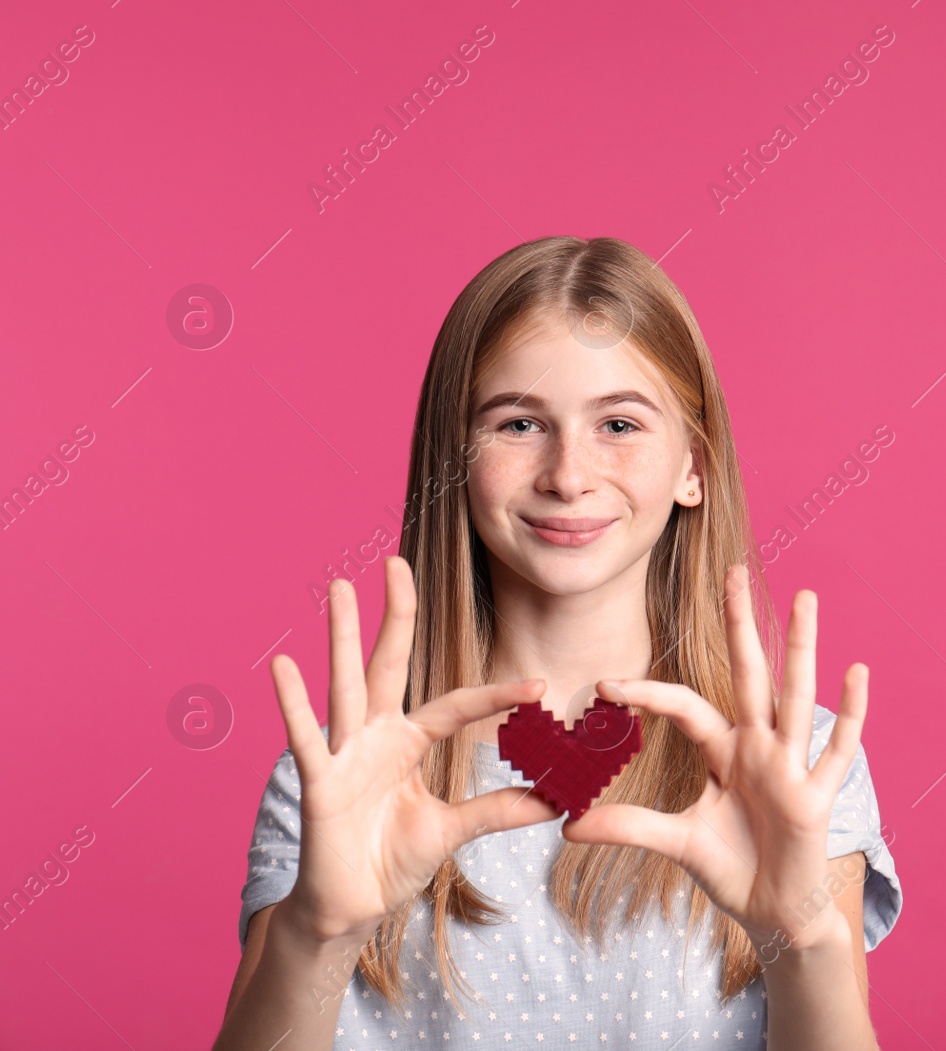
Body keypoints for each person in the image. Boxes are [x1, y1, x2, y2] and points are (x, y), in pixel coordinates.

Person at [211, 236, 903, 1051]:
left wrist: (805, 937)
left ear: (696, 469)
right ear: (454, 460)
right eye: (519, 422)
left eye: (618, 423)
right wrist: (315, 934)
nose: (568, 474)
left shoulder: (796, 762)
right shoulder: (343, 777)